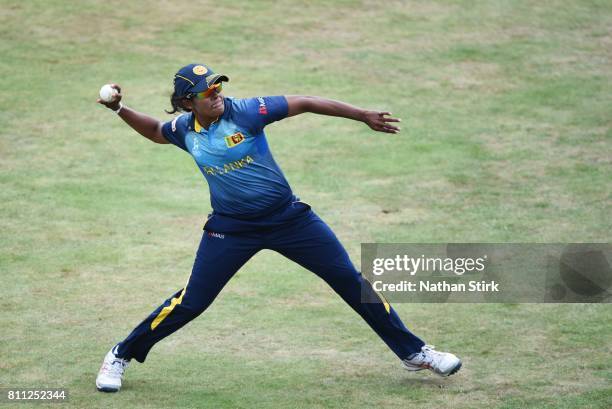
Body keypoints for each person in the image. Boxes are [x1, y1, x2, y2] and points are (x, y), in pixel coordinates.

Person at [95, 63, 461, 392]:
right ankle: (121, 354)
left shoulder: (246, 111)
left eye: (218, 87)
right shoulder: (183, 129)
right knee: (191, 302)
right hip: (232, 229)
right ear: (188, 102)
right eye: (208, 92)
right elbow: (157, 131)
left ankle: (415, 353)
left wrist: (362, 115)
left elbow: (304, 101)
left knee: (352, 282)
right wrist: (119, 109)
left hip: (290, 220)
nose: (217, 95)